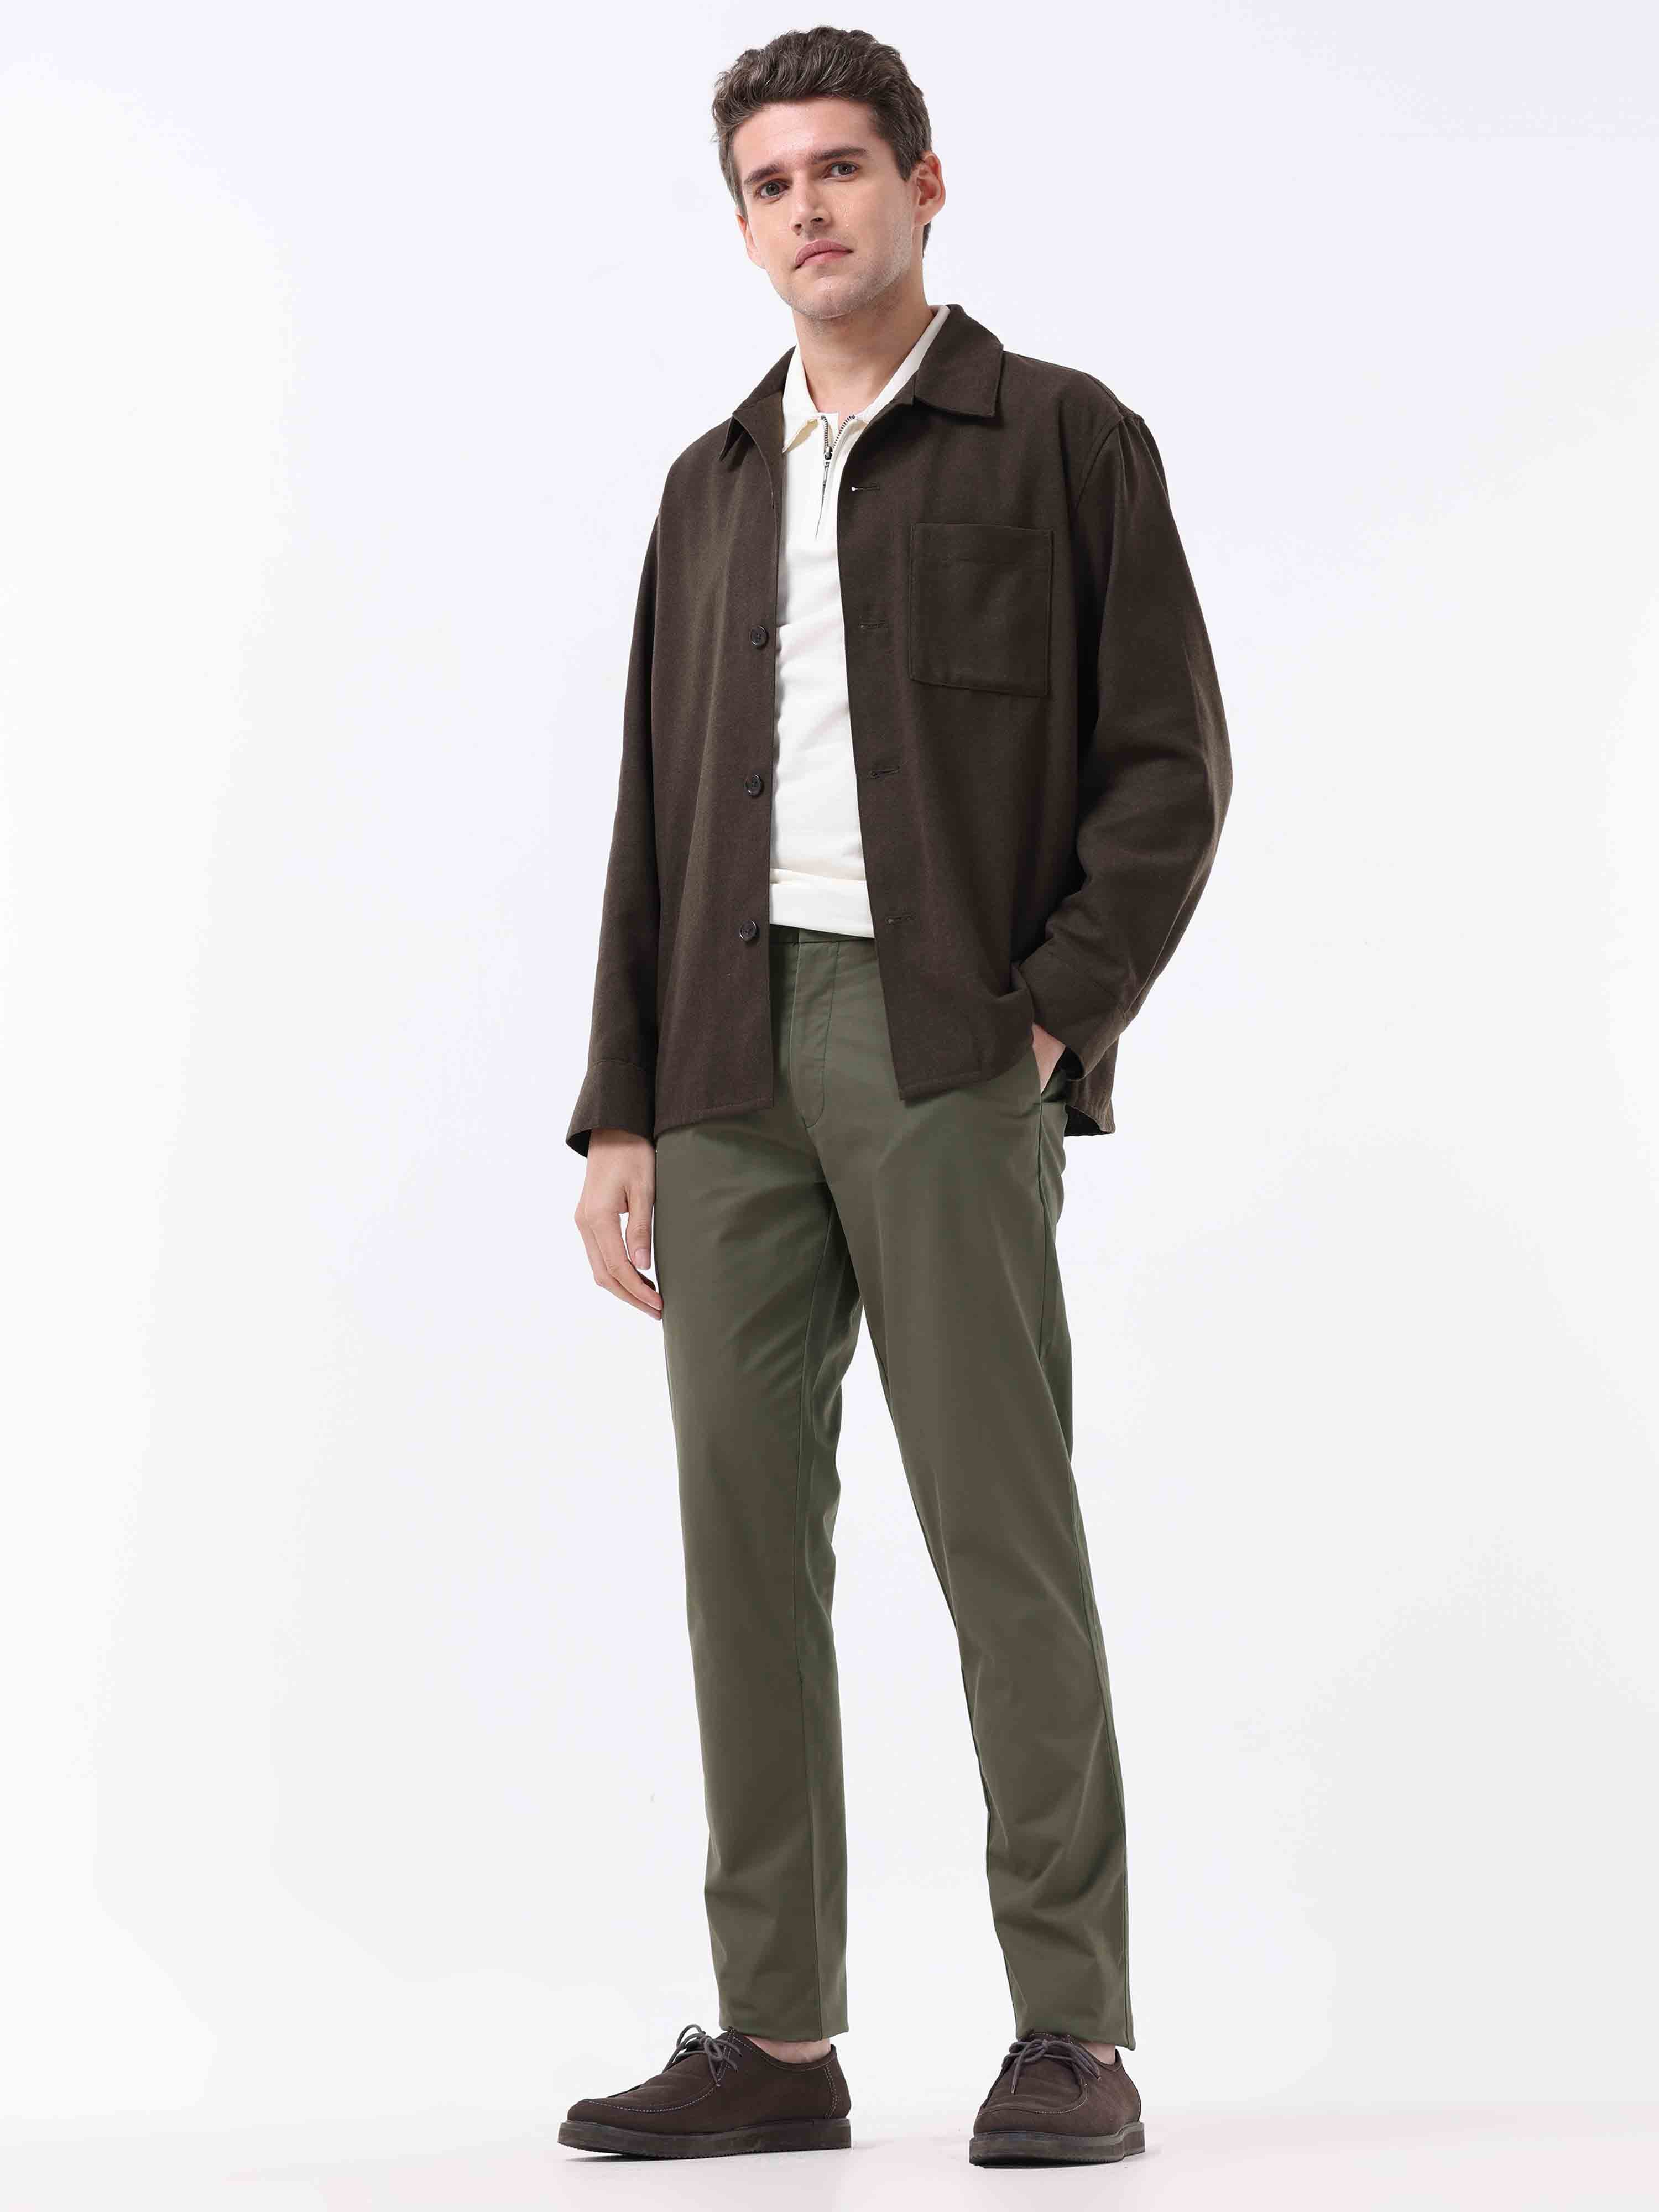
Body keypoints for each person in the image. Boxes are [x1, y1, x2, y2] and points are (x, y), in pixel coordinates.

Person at [560, 23, 1231, 2168]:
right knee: (740, 1550)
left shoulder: (1063, 439)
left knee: (1000, 1537)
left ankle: (1074, 2031)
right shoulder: (712, 483)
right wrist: (621, 1110)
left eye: (842, 168)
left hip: (944, 1047)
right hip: (719, 1058)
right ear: (743, 222)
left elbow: (1168, 767)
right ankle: (778, 2035)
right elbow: (654, 811)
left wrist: (1046, 1023)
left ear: (925, 186)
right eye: (770, 184)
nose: (809, 210)